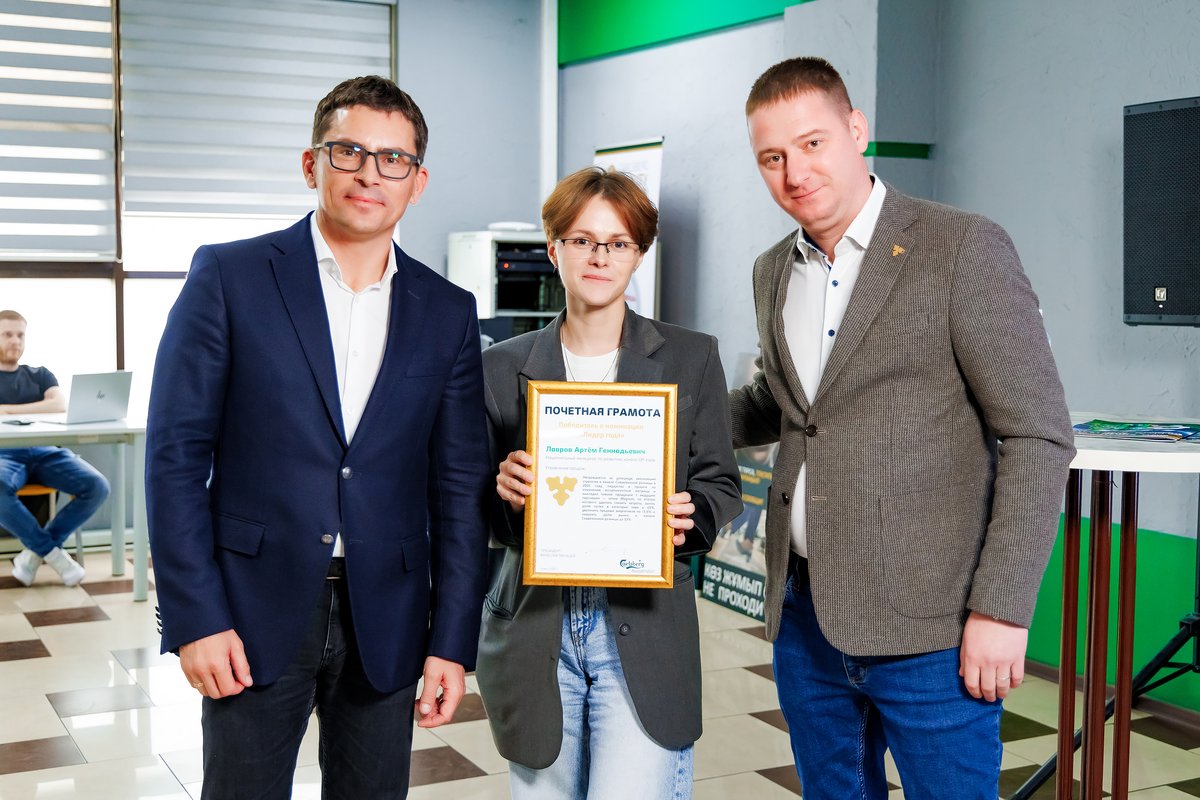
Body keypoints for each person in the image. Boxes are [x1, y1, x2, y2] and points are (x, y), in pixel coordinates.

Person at [728, 57, 1076, 798]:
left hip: (933, 630)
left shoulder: (961, 247)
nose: (795, 172)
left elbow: (1038, 434)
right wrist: (647, 417)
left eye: (813, 143)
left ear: (856, 130)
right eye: (772, 157)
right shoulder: (773, 270)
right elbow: (782, 403)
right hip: (806, 616)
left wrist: (1001, 610)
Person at [146, 75, 491, 799]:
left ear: (418, 181)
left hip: (389, 613)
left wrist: (453, 640)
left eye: (393, 159)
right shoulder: (230, 276)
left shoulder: (448, 310)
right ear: (312, 164)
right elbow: (175, 458)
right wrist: (194, 616)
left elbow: (459, 487)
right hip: (251, 608)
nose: (371, 174)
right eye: (348, 152)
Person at [480, 166, 742, 800]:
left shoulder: (690, 357)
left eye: (617, 242)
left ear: (639, 254)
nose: (599, 257)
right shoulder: (499, 367)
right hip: (536, 624)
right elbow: (469, 506)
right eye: (581, 240)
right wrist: (501, 491)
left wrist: (691, 516)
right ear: (554, 249)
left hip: (644, 625)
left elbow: (720, 482)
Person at [0, 310, 108, 587]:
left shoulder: (40, 374)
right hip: (4, 455)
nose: (15, 341)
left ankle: (33, 555)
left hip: (45, 451)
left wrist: (6, 410)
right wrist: (35, 409)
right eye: (7, 334)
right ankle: (54, 556)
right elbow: (48, 405)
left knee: (97, 486)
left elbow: (59, 404)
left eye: (20, 335)